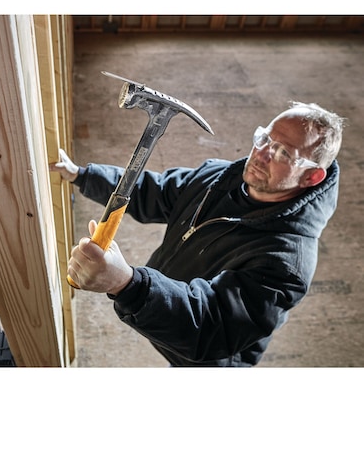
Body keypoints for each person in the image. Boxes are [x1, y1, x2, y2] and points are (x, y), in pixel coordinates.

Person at [50, 101, 345, 367]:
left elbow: (207, 328)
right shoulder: (216, 177)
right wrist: (82, 175)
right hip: (159, 314)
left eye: (283, 153)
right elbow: (154, 191)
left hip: (206, 359)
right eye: (264, 138)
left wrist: (127, 284)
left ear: (312, 176)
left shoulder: (286, 263)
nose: (261, 154)